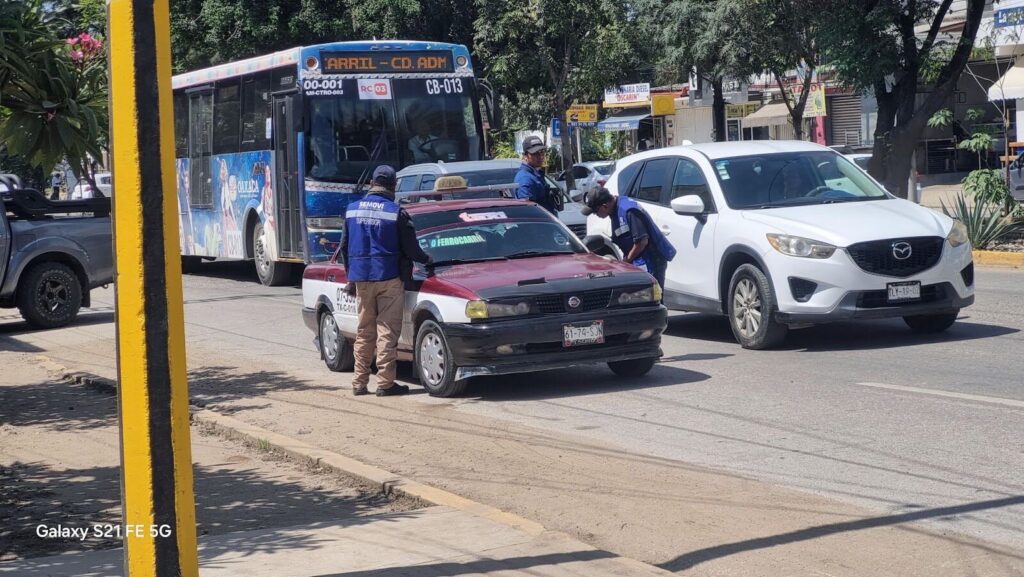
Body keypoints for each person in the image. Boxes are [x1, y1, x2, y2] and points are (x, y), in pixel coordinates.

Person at [341, 165, 432, 397]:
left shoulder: (351, 210)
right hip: (389, 278)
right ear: (393, 186)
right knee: (386, 332)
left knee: (364, 331)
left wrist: (350, 277)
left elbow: (344, 247)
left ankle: (359, 383)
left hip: (361, 278)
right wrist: (428, 260)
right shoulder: (395, 212)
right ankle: (385, 383)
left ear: (372, 183)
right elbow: (411, 249)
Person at [581, 187, 676, 292]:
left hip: (651, 260)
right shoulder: (614, 211)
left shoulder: (628, 210)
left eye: (595, 211)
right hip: (639, 261)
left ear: (605, 206)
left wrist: (627, 261)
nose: (595, 215)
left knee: (651, 297)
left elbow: (642, 242)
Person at [514, 135, 558, 214]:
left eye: (541, 152)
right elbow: (527, 210)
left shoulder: (536, 174)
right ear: (525, 156)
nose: (540, 156)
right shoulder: (525, 178)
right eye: (535, 154)